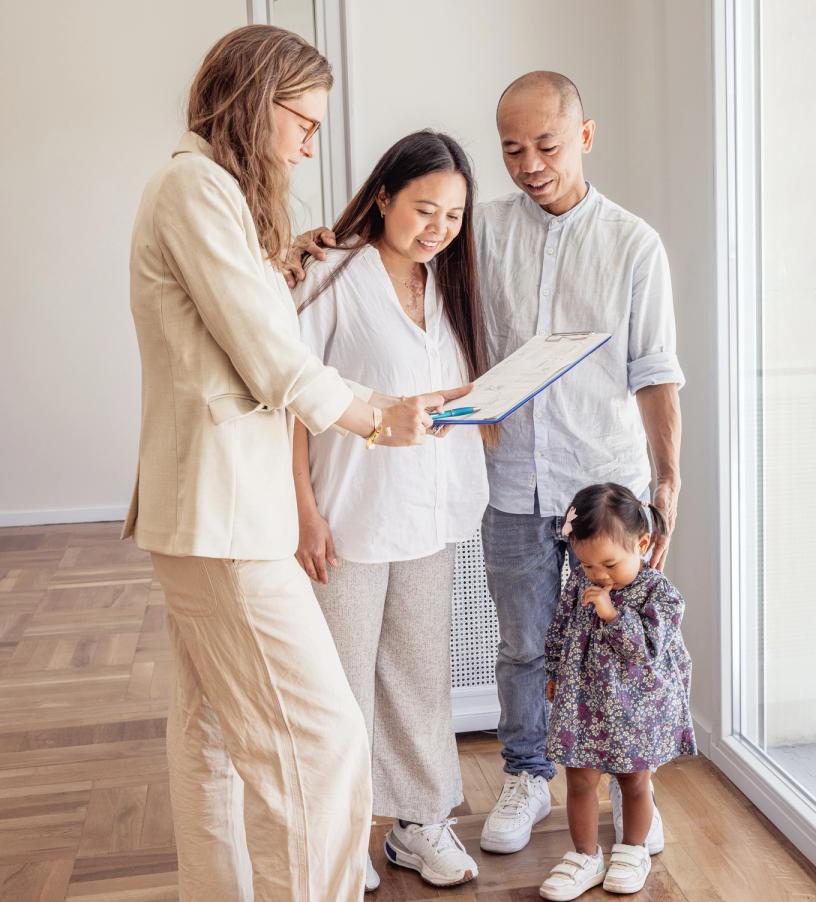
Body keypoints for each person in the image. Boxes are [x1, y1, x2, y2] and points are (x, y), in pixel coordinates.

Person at [124, 25, 465, 902]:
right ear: (252, 101)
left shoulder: (210, 195)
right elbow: (268, 358)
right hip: (227, 516)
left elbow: (236, 322)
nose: (311, 143)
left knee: (210, 746)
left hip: (217, 514)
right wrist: (372, 418)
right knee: (323, 745)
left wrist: (282, 261)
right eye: (303, 121)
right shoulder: (193, 186)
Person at [475, 71, 685, 857]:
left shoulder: (633, 242)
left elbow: (655, 370)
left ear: (585, 137)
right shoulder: (483, 230)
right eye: (512, 149)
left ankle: (635, 788)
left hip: (607, 487)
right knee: (525, 645)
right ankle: (529, 775)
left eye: (547, 145)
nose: (530, 163)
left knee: (621, 644)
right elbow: (407, 237)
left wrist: (667, 484)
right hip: (513, 483)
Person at [291, 130, 488, 890]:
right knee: (339, 688)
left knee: (419, 677)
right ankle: (339, 839)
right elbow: (287, 400)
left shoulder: (448, 284)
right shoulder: (331, 276)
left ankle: (419, 824)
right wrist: (304, 510)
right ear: (383, 197)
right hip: (348, 516)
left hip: (428, 516)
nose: (438, 227)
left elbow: (446, 396)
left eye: (454, 214)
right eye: (424, 208)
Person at [538, 483, 696, 899]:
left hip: (636, 709)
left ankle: (632, 849)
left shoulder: (659, 594)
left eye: (608, 563)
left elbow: (645, 651)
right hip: (584, 703)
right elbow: (560, 627)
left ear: (642, 544)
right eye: (587, 565)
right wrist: (553, 670)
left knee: (634, 783)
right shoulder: (578, 582)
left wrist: (611, 613)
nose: (598, 575)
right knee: (578, 781)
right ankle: (584, 855)